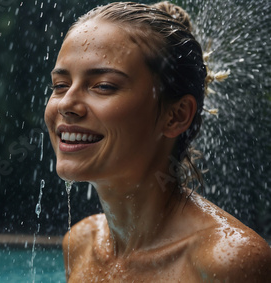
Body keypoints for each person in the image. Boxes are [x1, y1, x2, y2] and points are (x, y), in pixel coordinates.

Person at [44, 1, 271, 282]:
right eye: (60, 85)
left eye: (103, 86)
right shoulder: (80, 245)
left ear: (175, 115)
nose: (66, 104)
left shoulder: (229, 261)